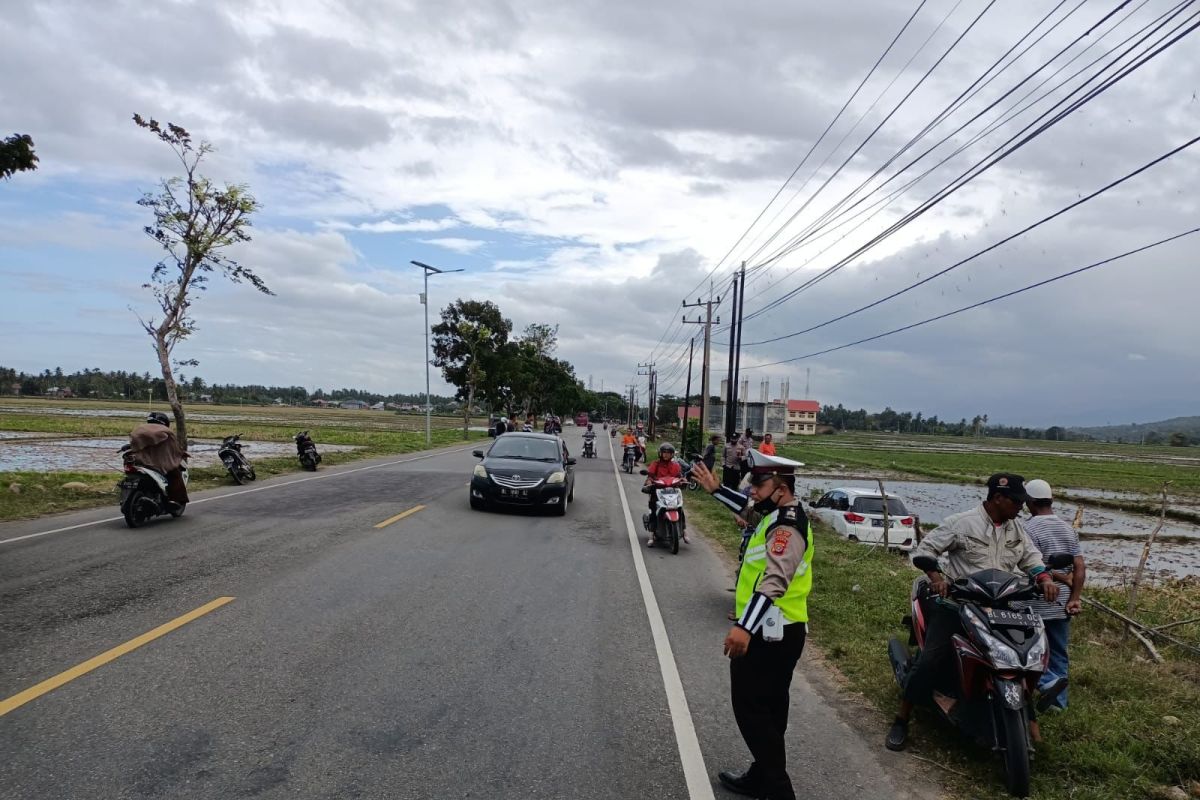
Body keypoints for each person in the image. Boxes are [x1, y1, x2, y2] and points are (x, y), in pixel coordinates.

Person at [885, 473, 1058, 752]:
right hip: (957, 606)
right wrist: (936, 577)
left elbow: (1032, 558)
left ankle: (1026, 719)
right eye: (1016, 501)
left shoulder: (1017, 529)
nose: (1021, 507)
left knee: (1021, 658)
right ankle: (902, 719)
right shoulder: (961, 523)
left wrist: (1045, 579)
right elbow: (926, 549)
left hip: (1002, 608)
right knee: (929, 661)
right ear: (998, 498)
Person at [690, 452, 812, 800]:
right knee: (772, 709)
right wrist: (716, 490)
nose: (752, 491)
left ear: (782, 487)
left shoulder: (786, 526)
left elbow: (775, 580)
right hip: (783, 630)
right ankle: (762, 775)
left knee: (751, 708)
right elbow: (748, 511)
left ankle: (778, 790)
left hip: (769, 632)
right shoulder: (780, 513)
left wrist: (744, 626)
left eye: (759, 484)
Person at [1023, 479, 1084, 711]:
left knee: (1031, 650)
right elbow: (1079, 566)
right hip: (1062, 604)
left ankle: (1044, 686)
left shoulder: (1028, 529)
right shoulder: (1068, 529)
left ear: (1029, 503)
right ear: (1051, 500)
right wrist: (1074, 596)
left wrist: (1055, 577)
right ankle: (1059, 704)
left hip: (1036, 601)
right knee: (1058, 652)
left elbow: (1034, 565)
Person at [128, 411, 190, 508]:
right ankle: (175, 499)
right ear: (164, 422)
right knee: (175, 474)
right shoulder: (166, 433)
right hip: (159, 464)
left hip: (141, 462)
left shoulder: (141, 430)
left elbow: (134, 444)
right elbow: (174, 448)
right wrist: (181, 453)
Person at [644, 442, 688, 546]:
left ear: (672, 454)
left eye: (669, 453)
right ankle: (652, 534)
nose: (666, 455)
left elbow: (679, 476)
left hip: (673, 492)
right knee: (654, 511)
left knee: (680, 509)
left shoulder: (676, 465)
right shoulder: (655, 464)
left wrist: (683, 480)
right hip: (658, 492)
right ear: (660, 453)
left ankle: (684, 530)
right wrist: (649, 482)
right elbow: (650, 476)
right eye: (664, 452)